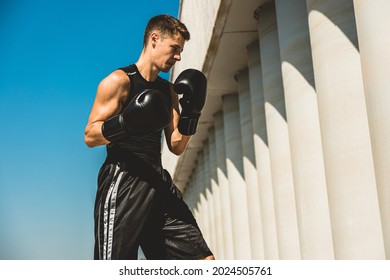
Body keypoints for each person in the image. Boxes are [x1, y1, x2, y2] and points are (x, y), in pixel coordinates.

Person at [84, 14, 214, 260]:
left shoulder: (168, 91)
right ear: (155, 39)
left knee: (202, 261)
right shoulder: (119, 81)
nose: (178, 57)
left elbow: (176, 145)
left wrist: (192, 115)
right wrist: (125, 123)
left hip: (157, 180)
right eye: (175, 48)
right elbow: (90, 135)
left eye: (181, 51)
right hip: (123, 179)